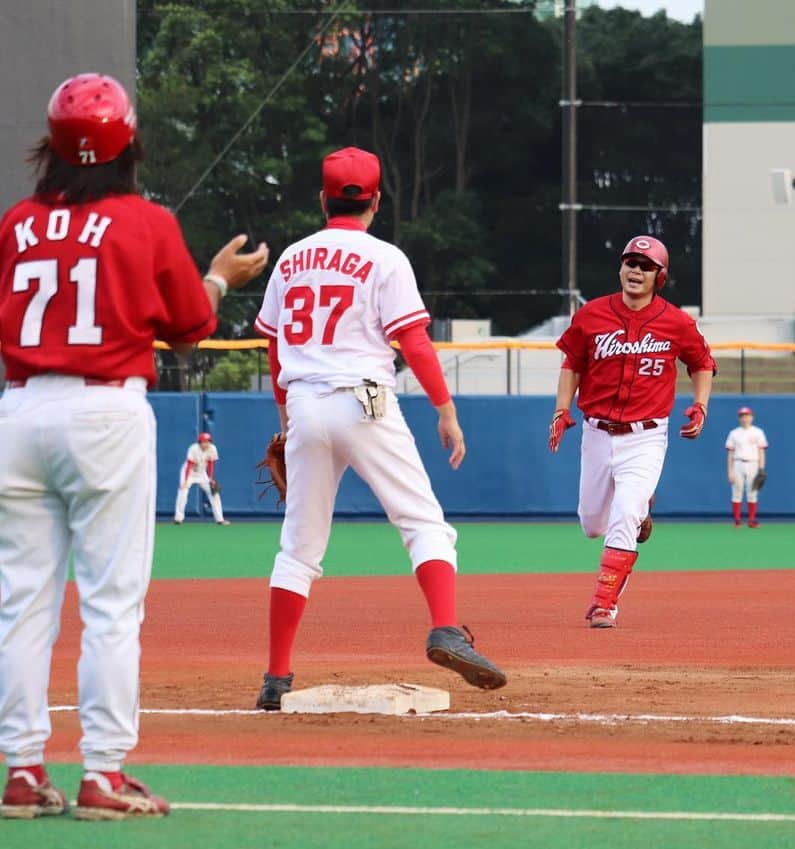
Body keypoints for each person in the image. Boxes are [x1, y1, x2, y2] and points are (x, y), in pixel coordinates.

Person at [0, 73, 268, 820]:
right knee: (112, 607)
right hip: (103, 414)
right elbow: (187, 324)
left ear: (52, 145)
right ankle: (103, 774)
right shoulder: (142, 220)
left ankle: (21, 772)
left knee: (21, 606)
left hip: (19, 411)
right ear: (130, 141)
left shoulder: (16, 222)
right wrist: (218, 277)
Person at [252, 146, 506, 710]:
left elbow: (274, 346)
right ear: (376, 201)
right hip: (364, 397)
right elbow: (412, 340)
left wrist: (287, 416)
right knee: (423, 523)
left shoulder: (291, 257)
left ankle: (276, 679)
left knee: (298, 550)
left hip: (305, 402)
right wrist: (445, 408)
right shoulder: (386, 258)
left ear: (322, 199)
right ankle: (444, 627)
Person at [549, 235, 715, 628]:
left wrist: (701, 403)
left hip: (646, 435)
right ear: (620, 268)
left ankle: (604, 604)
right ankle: (640, 512)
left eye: (646, 266)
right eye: (631, 262)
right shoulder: (591, 314)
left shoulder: (676, 322)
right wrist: (561, 408)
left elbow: (702, 362)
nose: (636, 271)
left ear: (660, 276)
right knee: (592, 523)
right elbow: (572, 362)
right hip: (596, 432)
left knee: (623, 512)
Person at [174, 432, 229, 525]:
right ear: (200, 442)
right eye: (204, 441)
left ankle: (220, 519)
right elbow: (189, 465)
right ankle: (178, 518)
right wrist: (185, 481)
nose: (206, 443)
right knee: (183, 492)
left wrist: (211, 478)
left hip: (202, 473)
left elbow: (211, 464)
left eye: (208, 441)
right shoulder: (193, 448)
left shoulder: (212, 448)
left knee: (214, 493)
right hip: (189, 472)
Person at [726, 406, 768, 528]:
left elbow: (761, 452)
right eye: (742, 416)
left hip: (753, 463)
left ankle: (751, 520)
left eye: (747, 416)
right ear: (739, 418)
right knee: (736, 492)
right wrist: (730, 471)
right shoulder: (734, 433)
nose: (744, 418)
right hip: (738, 463)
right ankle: (737, 520)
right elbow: (730, 453)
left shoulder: (758, 432)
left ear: (752, 417)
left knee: (752, 492)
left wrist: (761, 469)